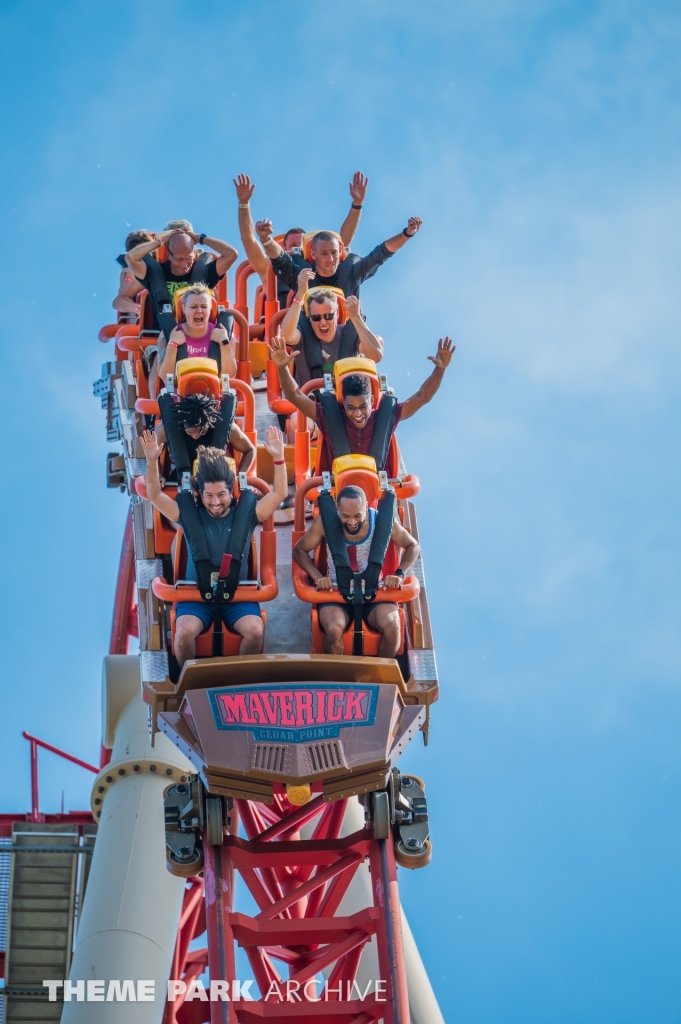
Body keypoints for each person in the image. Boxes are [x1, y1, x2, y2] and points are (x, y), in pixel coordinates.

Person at [140, 425, 288, 664]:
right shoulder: (189, 515)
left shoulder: (247, 514)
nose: (216, 502)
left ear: (231, 492)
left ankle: (240, 681)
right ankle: (187, 682)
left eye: (221, 495)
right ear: (199, 494)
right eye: (209, 496)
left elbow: (279, 494)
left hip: (237, 597)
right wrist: (151, 461)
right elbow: (155, 496)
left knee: (255, 630)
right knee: (184, 631)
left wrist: (279, 458)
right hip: (196, 598)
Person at [269, 333, 455, 474]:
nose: (357, 413)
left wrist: (440, 370)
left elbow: (422, 396)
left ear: (372, 402)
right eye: (351, 408)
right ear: (343, 404)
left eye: (362, 407)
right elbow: (294, 395)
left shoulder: (386, 415)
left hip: (373, 493)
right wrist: (282, 367)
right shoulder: (330, 415)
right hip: (339, 493)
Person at [293, 485, 420, 657]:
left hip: (374, 591)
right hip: (337, 592)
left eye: (357, 516)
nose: (352, 522)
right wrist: (317, 577)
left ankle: (380, 675)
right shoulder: (325, 523)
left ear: (366, 507)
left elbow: (413, 546)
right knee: (334, 627)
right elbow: (299, 550)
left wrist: (399, 573)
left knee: (392, 626)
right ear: (338, 508)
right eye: (345, 516)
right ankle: (338, 677)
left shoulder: (381, 521)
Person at [233, 172, 369, 305]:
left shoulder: (321, 266)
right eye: (293, 246)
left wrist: (357, 204)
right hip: (285, 324)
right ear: (283, 249)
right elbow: (248, 239)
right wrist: (244, 203)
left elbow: (341, 243)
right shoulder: (270, 268)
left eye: (300, 245)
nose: (297, 250)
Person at [254, 210, 422, 301]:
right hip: (308, 339)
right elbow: (281, 260)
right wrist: (266, 238)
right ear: (313, 254)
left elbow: (381, 253)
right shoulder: (303, 275)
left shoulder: (351, 272)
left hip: (344, 336)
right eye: (324, 253)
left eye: (334, 253)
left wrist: (406, 234)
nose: (331, 259)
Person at [126, 228, 238, 336]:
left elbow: (232, 255)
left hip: (200, 341)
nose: (185, 265)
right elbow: (131, 257)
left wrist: (200, 238)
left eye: (189, 258)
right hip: (163, 340)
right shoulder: (153, 275)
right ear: (169, 255)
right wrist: (161, 242)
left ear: (194, 253)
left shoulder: (205, 273)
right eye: (179, 259)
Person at [281, 269, 383, 385]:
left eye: (329, 316)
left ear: (337, 314)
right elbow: (286, 337)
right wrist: (299, 295)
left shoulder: (348, 333)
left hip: (346, 400)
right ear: (309, 317)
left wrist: (356, 317)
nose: (323, 322)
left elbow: (376, 355)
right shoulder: (304, 333)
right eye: (316, 318)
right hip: (311, 400)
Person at [156, 392, 256, 480]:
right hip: (180, 479)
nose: (195, 436)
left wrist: (240, 476)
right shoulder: (165, 430)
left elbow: (250, 450)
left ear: (210, 423)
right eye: (189, 432)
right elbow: (151, 454)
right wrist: (158, 475)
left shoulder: (229, 429)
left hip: (215, 480)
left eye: (201, 432)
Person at [158, 284, 237, 382]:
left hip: (214, 395)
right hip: (180, 395)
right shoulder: (169, 334)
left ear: (210, 309)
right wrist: (172, 345)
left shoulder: (224, 334)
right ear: (183, 309)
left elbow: (229, 376)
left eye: (204, 306)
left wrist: (224, 344)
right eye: (193, 307)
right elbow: (164, 376)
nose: (199, 311)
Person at [112, 230, 152, 317]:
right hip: (136, 312)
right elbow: (120, 298)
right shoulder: (126, 271)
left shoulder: (156, 266)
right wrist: (129, 276)